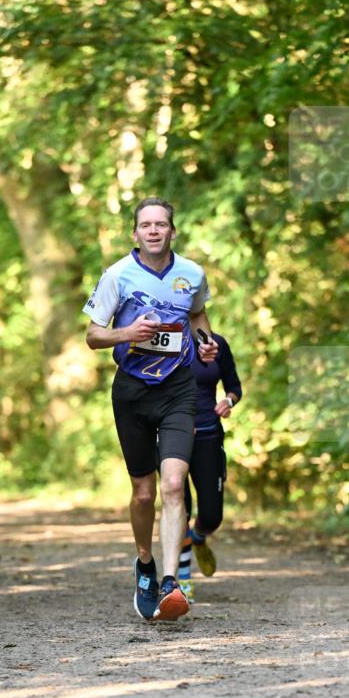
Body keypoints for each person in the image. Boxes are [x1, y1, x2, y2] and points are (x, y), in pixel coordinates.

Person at [84, 196, 218, 622]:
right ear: (136, 233)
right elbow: (92, 336)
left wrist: (206, 343)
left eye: (162, 224)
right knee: (143, 492)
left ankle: (171, 582)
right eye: (147, 225)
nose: (155, 231)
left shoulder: (191, 273)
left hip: (179, 390)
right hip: (133, 392)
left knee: (174, 486)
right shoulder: (117, 275)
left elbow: (198, 315)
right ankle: (145, 564)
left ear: (173, 231)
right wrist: (127, 332)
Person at [177, 332, 242, 602]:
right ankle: (181, 578)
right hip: (173, 435)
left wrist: (228, 401)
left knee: (212, 516)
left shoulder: (215, 343)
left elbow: (235, 386)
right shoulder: (165, 339)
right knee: (179, 506)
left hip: (208, 434)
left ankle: (198, 538)